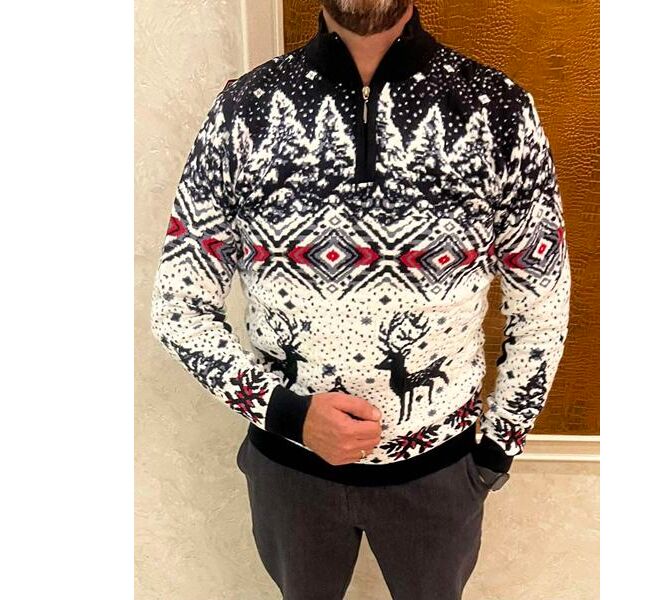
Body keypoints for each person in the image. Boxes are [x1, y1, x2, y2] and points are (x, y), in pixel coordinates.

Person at [150, 1, 571, 598]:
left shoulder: (498, 111)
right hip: (290, 472)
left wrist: (497, 451)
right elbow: (178, 308)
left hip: (440, 478)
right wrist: (287, 415)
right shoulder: (243, 112)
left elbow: (542, 305)